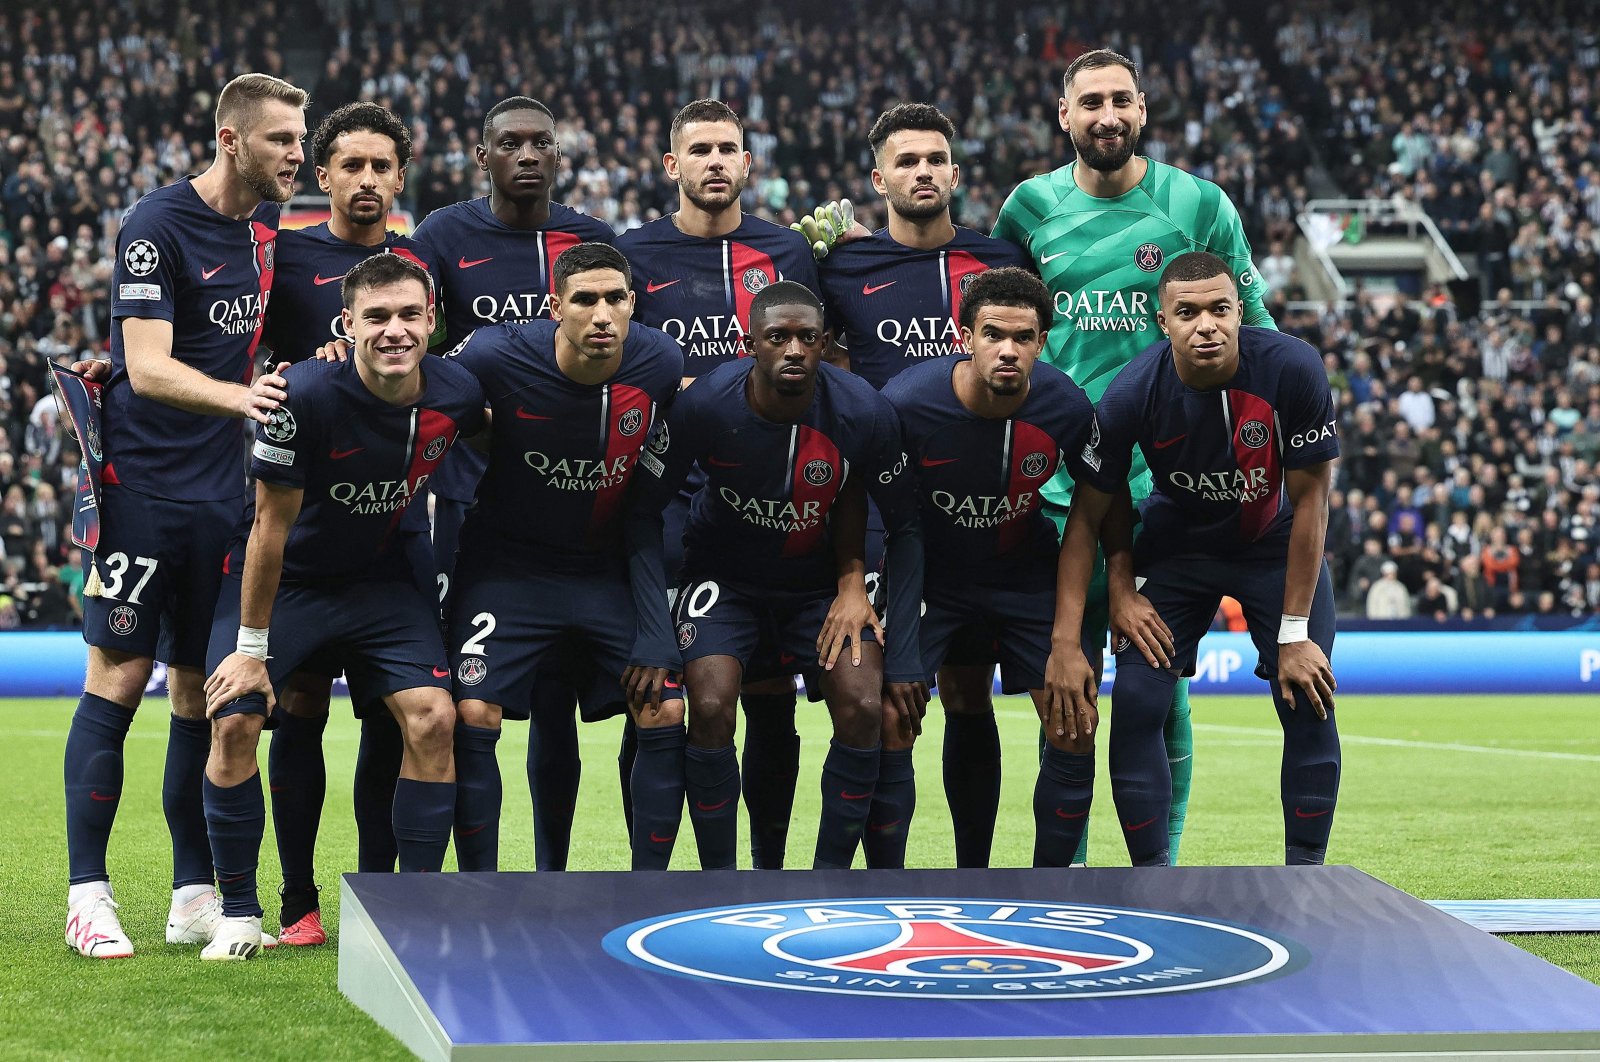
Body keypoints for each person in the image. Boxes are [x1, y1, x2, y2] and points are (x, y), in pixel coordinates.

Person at [992, 48, 1277, 865]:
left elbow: (1251, 331)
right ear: (1064, 116)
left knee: (1161, 685)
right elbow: (1001, 323)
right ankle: (1070, 876)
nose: (1107, 115)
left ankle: (1163, 868)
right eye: (1091, 103)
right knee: (1067, 681)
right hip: (1061, 485)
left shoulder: (1199, 204)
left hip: (1171, 481)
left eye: (1121, 100)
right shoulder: (1027, 210)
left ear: (1143, 109)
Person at [64, 72, 306, 960]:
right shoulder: (154, 225)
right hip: (142, 492)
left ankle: (193, 896)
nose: (296, 155)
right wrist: (244, 399)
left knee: (200, 694)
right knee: (119, 680)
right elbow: (148, 364)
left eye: (300, 140)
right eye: (282, 139)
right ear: (233, 139)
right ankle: (87, 895)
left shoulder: (266, 232)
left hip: (225, 499)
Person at [199, 253, 483, 959]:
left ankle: (411, 908)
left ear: (432, 322)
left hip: (380, 582)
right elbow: (271, 528)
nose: (395, 331)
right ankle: (237, 911)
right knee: (236, 722)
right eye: (377, 317)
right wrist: (252, 650)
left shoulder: (459, 392)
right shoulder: (302, 395)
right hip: (287, 581)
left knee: (435, 718)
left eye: (409, 316)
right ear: (347, 324)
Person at [627, 281, 925, 870]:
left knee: (866, 706)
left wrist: (885, 628)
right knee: (709, 704)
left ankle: (829, 879)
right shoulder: (706, 404)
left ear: (824, 344)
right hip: (725, 579)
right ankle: (720, 881)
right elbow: (641, 510)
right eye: (778, 337)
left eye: (807, 338)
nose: (793, 349)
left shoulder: (864, 410)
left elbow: (907, 527)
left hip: (820, 587)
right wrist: (654, 630)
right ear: (749, 343)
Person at [1062, 251, 1340, 868]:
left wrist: (1294, 632)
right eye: (1186, 313)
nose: (1205, 325)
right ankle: (1151, 878)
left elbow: (1312, 499)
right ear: (1163, 321)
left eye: (1219, 309)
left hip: (1275, 548)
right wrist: (1124, 591)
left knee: (1308, 694)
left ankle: (1307, 875)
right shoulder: (1132, 391)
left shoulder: (1293, 368)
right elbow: (1092, 511)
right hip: (1180, 551)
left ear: (1241, 310)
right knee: (1136, 701)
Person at [881, 267, 1166, 867]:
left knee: (1074, 720)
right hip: (931, 577)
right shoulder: (906, 403)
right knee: (894, 716)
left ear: (1043, 341)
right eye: (992, 334)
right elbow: (872, 510)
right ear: (965, 336)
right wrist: (868, 597)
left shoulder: (1065, 406)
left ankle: (1050, 888)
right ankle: (908, 882)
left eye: (1023, 336)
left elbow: (1103, 505)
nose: (1007, 349)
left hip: (1022, 573)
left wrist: (1074, 635)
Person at [818, 102, 1033, 869]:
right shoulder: (845, 265)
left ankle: (972, 871)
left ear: (954, 172)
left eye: (935, 159)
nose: (922, 172)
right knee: (887, 706)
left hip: (982, 515)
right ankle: (883, 885)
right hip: (883, 511)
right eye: (906, 162)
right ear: (879, 179)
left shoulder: (1002, 258)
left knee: (970, 694)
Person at [615, 99, 822, 869]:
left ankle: (761, 871)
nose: (713, 161)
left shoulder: (789, 253)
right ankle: (654, 879)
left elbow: (816, 367)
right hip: (665, 503)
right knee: (661, 701)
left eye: (726, 148)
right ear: (672, 165)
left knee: (767, 696)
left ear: (748, 164)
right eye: (697, 149)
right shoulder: (633, 255)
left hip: (769, 504)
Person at [411, 95, 616, 872]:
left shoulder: (592, 241)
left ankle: (554, 873)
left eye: (541, 143)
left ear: (557, 155)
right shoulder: (443, 236)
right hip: (476, 504)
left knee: (560, 703)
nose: (527, 155)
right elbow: (417, 349)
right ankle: (480, 883)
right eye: (511, 143)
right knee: (477, 705)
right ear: (482, 155)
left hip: (578, 502)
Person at [441, 242, 685, 872]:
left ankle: (649, 889)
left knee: (666, 707)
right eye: (584, 300)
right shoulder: (497, 353)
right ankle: (480, 891)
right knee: (471, 710)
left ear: (633, 304)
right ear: (556, 307)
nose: (601, 314)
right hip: (507, 568)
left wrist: (658, 633)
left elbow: (650, 498)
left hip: (602, 569)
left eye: (615, 299)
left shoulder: (659, 360)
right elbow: (424, 385)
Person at [258, 100, 439, 946]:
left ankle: (375, 891)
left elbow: (453, 374)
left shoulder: (420, 262)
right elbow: (234, 360)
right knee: (296, 702)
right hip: (300, 522)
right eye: (351, 166)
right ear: (321, 175)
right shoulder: (286, 259)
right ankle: (297, 901)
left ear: (400, 177)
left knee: (387, 714)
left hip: (393, 532)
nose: (367, 180)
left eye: (381, 166)